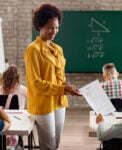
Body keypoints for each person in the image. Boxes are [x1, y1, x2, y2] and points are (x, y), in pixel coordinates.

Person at [24, 3, 81, 150]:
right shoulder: (33, 50)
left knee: (55, 144)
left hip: (59, 101)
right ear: (40, 26)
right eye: (50, 27)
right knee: (48, 146)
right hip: (43, 104)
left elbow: (59, 77)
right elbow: (36, 82)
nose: (54, 31)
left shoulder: (58, 49)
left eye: (56, 27)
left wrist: (67, 88)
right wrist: (63, 88)